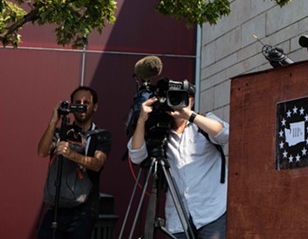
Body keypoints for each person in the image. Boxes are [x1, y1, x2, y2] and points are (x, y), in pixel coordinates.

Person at [127, 84, 228, 239]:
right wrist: (142, 120)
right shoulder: (160, 132)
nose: (175, 103)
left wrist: (190, 115)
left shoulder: (202, 124)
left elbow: (224, 134)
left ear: (192, 101)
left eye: (180, 98)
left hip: (212, 212)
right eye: (171, 98)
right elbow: (136, 156)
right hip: (177, 217)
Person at [37, 87, 112, 239]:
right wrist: (54, 121)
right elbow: (42, 152)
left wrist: (71, 154)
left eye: (86, 103)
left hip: (84, 209)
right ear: (71, 106)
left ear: (95, 106)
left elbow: (98, 164)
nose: (82, 106)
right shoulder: (62, 132)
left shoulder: (102, 135)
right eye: (77, 103)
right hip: (57, 207)